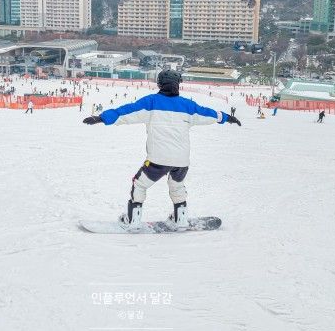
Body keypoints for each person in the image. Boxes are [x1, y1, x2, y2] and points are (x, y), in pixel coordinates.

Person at [82, 69, 241, 229]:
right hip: (181, 161)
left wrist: (101, 118)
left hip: (158, 159)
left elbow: (125, 112)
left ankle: (133, 221)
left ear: (159, 83)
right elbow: (210, 114)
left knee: (139, 184)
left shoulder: (151, 102)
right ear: (178, 84)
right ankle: (180, 219)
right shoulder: (188, 105)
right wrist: (228, 118)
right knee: (177, 186)